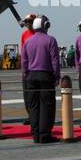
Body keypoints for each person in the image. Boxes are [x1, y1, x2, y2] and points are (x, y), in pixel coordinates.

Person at [21, 15, 61, 143]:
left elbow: (24, 61)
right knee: (47, 106)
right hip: (45, 75)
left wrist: (26, 75)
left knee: (33, 106)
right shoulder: (51, 40)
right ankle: (44, 135)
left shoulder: (28, 41)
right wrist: (56, 76)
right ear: (45, 26)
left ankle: (35, 133)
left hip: (31, 76)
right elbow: (55, 60)